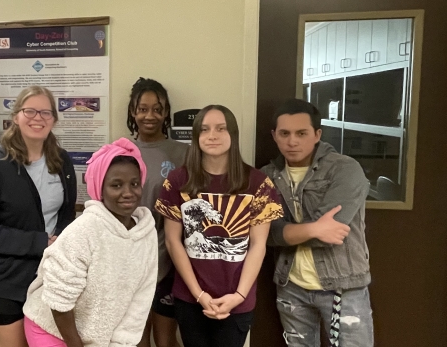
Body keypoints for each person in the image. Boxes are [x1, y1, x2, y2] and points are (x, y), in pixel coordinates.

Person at [156, 105, 284, 347]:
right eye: (204, 130)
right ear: (196, 137)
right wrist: (199, 295)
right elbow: (173, 242)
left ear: (232, 135)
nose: (212, 135)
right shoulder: (177, 181)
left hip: (238, 300)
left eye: (220, 129)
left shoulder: (258, 183)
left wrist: (238, 296)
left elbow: (258, 245)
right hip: (190, 298)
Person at [0, 86, 76, 347]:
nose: (38, 118)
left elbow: (67, 213)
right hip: (2, 283)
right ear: (16, 117)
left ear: (54, 120)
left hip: (48, 279)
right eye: (30, 111)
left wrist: (61, 243)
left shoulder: (61, 161)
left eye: (45, 112)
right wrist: (39, 243)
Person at [23, 138, 158, 347]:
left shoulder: (145, 233)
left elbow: (141, 298)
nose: (128, 193)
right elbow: (59, 302)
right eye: (116, 185)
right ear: (100, 189)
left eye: (134, 183)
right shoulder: (83, 231)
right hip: (53, 327)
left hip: (99, 335)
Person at [261, 99, 373, 347]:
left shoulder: (345, 169)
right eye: (285, 133)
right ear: (274, 136)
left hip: (343, 286)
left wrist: (287, 232)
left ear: (317, 134)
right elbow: (266, 234)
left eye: (301, 133)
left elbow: (333, 229)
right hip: (291, 285)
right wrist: (313, 228)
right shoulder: (267, 176)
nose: (292, 141)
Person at [126, 77, 188, 347]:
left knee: (165, 340)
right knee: (136, 338)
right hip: (130, 261)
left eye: (157, 109)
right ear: (133, 112)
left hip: (171, 258)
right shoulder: (121, 151)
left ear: (166, 113)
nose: (149, 116)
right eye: (142, 109)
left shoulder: (184, 153)